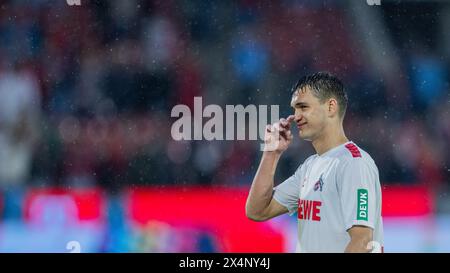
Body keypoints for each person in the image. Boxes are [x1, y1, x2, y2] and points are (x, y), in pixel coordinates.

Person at [245, 72, 383, 253]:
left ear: (331, 107)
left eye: (303, 107)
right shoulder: (310, 167)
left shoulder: (353, 164)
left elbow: (363, 242)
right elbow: (257, 210)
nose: (296, 116)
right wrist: (271, 153)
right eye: (295, 108)